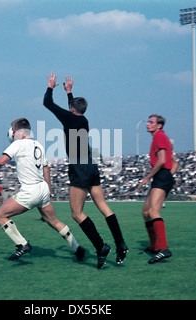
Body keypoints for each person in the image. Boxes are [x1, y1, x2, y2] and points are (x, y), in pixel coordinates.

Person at [43, 73, 127, 269]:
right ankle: (120, 243)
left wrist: (50, 87)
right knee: (104, 207)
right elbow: (73, 109)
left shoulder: (68, 118)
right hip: (91, 165)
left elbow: (48, 103)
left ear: (71, 109)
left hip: (79, 168)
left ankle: (100, 247)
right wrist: (70, 92)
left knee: (76, 213)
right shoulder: (84, 120)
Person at [0, 118, 85, 262]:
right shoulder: (39, 145)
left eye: (13, 131)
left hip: (30, 191)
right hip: (42, 188)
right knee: (53, 221)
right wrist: (48, 190)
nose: (12, 134)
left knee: (0, 216)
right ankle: (77, 248)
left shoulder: (18, 144)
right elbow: (46, 169)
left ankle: (22, 244)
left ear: (21, 132)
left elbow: (2, 161)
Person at [135, 115, 178, 264]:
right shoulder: (159, 138)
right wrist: (167, 176)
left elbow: (161, 161)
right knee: (145, 212)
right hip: (162, 176)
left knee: (153, 212)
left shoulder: (159, 137)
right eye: (147, 121)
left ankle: (163, 248)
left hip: (161, 176)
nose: (147, 124)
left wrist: (149, 177)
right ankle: (154, 247)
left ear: (159, 125)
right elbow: (174, 163)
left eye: (151, 122)